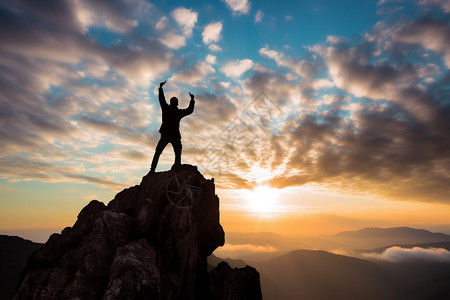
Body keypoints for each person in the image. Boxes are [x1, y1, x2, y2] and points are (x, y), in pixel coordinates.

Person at [150, 80, 195, 172]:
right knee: (174, 153)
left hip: (169, 135)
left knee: (163, 153)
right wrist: (192, 100)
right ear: (176, 103)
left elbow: (161, 99)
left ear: (172, 103)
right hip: (170, 135)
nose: (174, 103)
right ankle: (154, 170)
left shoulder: (168, 109)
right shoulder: (176, 112)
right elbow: (189, 110)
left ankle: (153, 170)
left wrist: (160, 88)